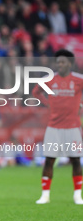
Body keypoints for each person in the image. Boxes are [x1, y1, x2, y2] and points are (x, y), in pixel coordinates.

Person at [32, 49, 83, 204]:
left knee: (75, 160)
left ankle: (77, 195)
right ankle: (45, 195)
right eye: (58, 62)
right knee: (49, 160)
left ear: (70, 64)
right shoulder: (50, 79)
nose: (60, 65)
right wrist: (47, 103)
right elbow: (36, 91)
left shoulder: (78, 79)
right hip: (53, 127)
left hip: (73, 127)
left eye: (63, 62)